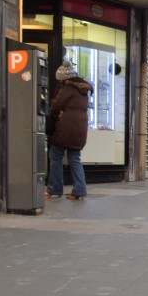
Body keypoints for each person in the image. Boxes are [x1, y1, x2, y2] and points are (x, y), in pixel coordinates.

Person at [46, 60, 94, 201]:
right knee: (75, 159)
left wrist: (58, 111)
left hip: (65, 127)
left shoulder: (67, 88)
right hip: (80, 127)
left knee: (55, 155)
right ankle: (79, 190)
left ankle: (54, 189)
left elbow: (55, 105)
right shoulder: (83, 89)